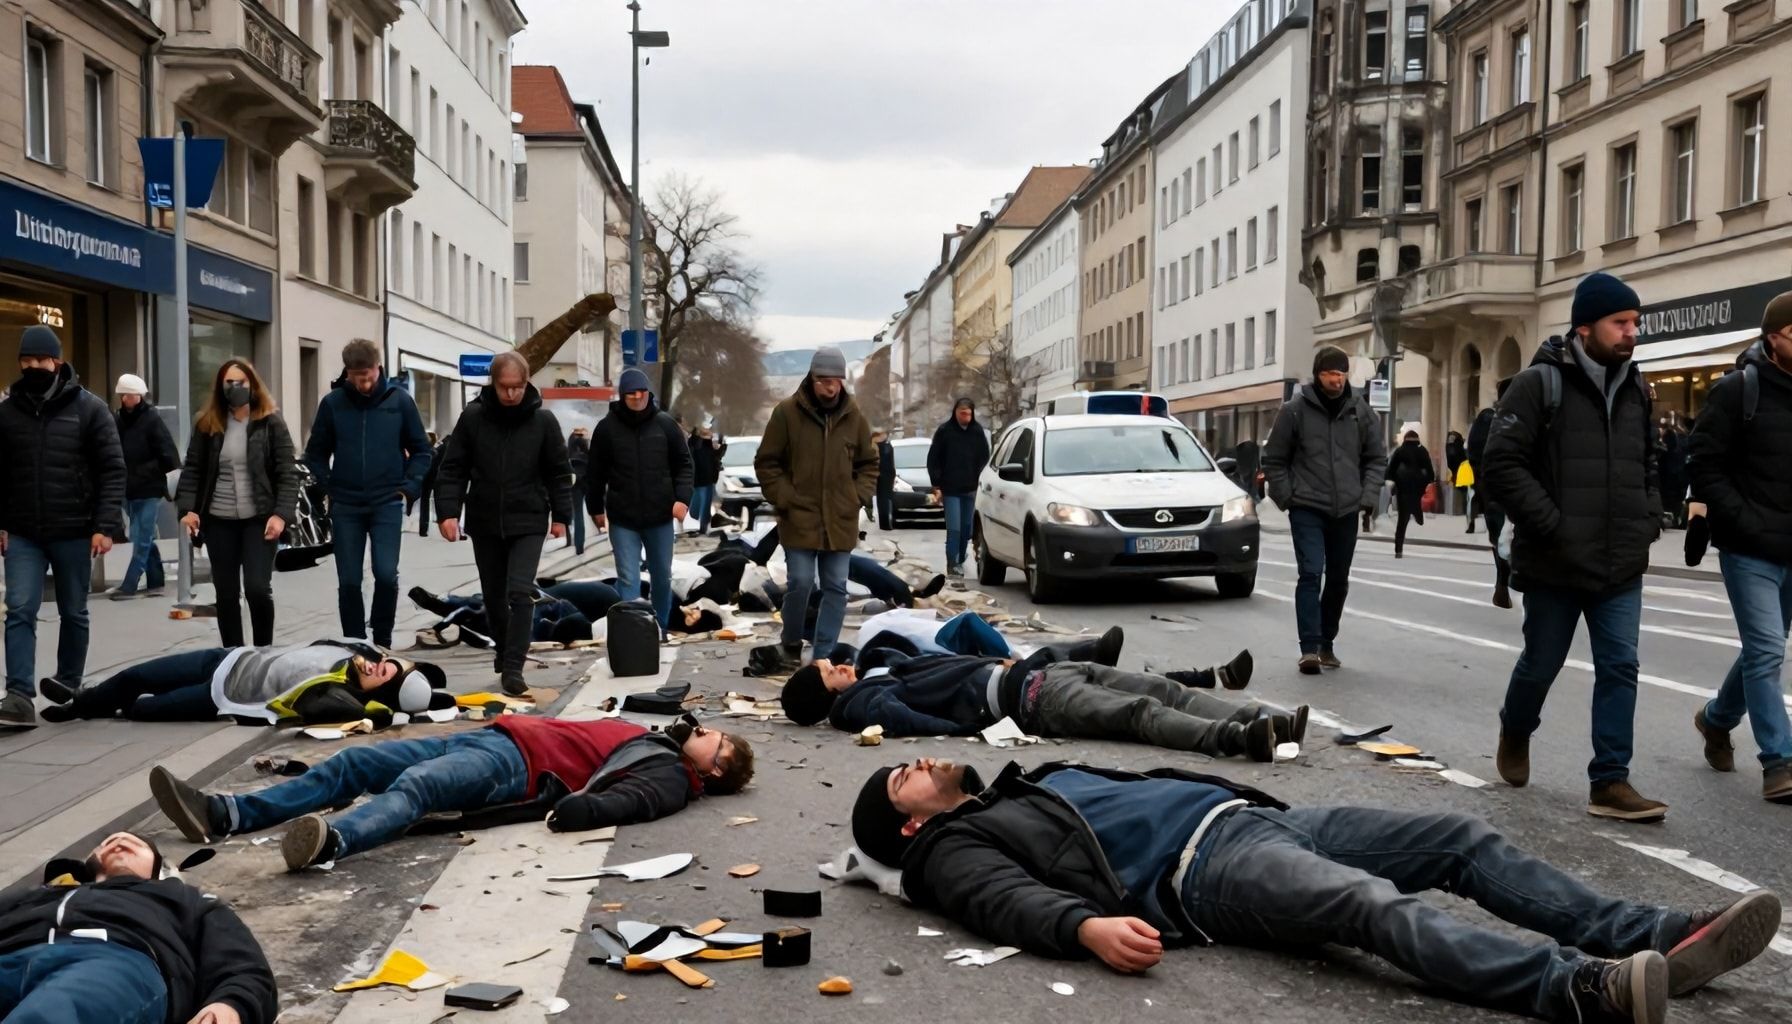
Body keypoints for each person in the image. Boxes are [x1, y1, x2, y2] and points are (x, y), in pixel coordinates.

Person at [848, 758, 1782, 1024]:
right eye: (903, 779)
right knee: (1371, 908)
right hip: (1203, 872)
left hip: (1259, 819)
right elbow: (1001, 904)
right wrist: (1087, 925)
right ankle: (1580, 987)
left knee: (1456, 835)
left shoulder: (1021, 778)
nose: (922, 761)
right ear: (912, 828)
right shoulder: (949, 851)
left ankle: (1654, 928)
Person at [1482, 271, 1664, 822]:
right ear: (1585, 327)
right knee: (1541, 664)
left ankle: (1610, 782)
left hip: (1620, 561)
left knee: (1620, 667)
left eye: (1635, 323)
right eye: (1621, 323)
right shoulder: (1539, 384)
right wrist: (1552, 524)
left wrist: (1648, 517)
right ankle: (1516, 729)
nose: (1632, 332)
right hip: (1555, 560)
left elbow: (1649, 460)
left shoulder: (1636, 387)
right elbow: (1501, 464)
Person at [148, 717, 754, 871]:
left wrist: (580, 808)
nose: (704, 733)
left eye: (716, 742)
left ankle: (332, 844)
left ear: (716, 772)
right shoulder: (666, 744)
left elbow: (631, 802)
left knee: (415, 789)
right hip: (492, 737)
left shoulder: (673, 777)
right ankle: (224, 814)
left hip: (511, 763)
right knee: (357, 760)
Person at [780, 643, 1286, 761]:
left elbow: (890, 655)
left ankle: (1258, 720)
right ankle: (1234, 738)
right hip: (1032, 699)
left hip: (1036, 673)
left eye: (830, 662)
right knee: (1139, 715)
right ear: (829, 696)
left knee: (1160, 689)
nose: (839, 665)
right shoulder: (863, 704)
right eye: (830, 673)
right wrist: (968, 731)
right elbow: (901, 717)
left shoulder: (873, 673)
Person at [1686, 290, 1792, 803]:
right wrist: (1743, 519)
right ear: (1774, 339)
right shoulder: (1737, 391)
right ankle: (1780, 761)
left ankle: (1716, 718)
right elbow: (1703, 464)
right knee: (1769, 650)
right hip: (1749, 547)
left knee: (1761, 649)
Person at [0, 831, 278, 1024]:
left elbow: (245, 965)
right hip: (12, 954)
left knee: (54, 1012)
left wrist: (231, 1005)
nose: (120, 839)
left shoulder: (187, 900)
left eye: (135, 843)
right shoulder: (39, 895)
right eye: (109, 841)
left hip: (113, 960)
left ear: (158, 869)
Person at [0, 326, 126, 729]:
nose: (34, 367)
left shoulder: (90, 409)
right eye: (27, 361)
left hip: (75, 528)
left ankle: (69, 682)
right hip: (23, 531)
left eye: (41, 360)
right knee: (19, 609)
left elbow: (112, 469)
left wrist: (105, 525)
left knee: (74, 610)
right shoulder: (6, 412)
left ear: (57, 362)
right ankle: (18, 696)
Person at [435, 351, 574, 696]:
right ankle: (502, 649)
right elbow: (453, 469)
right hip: (484, 519)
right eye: (504, 387)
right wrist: (447, 512)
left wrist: (562, 516)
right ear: (493, 384)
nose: (511, 394)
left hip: (528, 518)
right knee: (494, 597)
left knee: (519, 591)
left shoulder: (543, 422)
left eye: (517, 386)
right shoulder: (474, 419)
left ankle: (514, 667)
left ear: (527, 383)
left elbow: (558, 473)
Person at [1261, 346, 1387, 676]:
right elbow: (1274, 460)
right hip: (1307, 506)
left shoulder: (1360, 410)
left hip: (1346, 508)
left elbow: (1376, 458)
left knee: (1338, 579)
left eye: (1341, 374)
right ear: (1318, 375)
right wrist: (1288, 497)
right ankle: (1309, 649)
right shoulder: (1294, 410)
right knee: (1311, 572)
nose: (1336, 380)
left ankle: (1327, 643)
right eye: (1330, 374)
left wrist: (1367, 496)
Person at [303, 339, 433, 649]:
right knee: (348, 580)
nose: (364, 382)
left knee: (386, 574)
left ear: (379, 368)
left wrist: (408, 489)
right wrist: (327, 488)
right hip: (345, 504)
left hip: (387, 501)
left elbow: (421, 451)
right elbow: (315, 454)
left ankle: (383, 640)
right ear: (347, 373)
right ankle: (354, 642)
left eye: (369, 375)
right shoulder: (333, 404)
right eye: (357, 376)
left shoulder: (399, 402)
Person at [754, 346, 878, 670]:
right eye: (825, 380)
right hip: (799, 517)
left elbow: (869, 463)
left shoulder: (854, 417)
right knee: (801, 582)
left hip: (840, 518)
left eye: (836, 380)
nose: (831, 387)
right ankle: (791, 642)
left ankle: (822, 654)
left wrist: (857, 495)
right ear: (812, 378)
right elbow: (767, 463)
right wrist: (785, 497)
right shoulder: (786, 413)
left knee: (837, 587)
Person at [37, 638, 451, 725]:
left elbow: (342, 711)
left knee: (144, 708)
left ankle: (102, 705)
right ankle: (81, 702)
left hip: (222, 696)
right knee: (138, 675)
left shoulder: (335, 694)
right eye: (387, 663)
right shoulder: (351, 651)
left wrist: (379, 712)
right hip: (228, 658)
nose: (378, 666)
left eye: (385, 676)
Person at [175, 360, 300, 650]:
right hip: (219, 520)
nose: (235, 388)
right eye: (228, 383)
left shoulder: (271, 422)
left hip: (259, 518)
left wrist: (281, 515)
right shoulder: (207, 423)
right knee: (226, 594)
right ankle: (233, 657)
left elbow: (287, 471)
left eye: (240, 382)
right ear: (220, 387)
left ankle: (263, 653)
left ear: (252, 384)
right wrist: (188, 510)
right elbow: (193, 469)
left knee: (257, 589)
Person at [586, 367, 692, 627]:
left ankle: (660, 626)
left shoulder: (665, 425)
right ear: (622, 396)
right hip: (623, 516)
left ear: (649, 394)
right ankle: (633, 631)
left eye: (642, 393)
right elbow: (595, 472)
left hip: (660, 515)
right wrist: (595, 508)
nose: (637, 398)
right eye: (631, 394)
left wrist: (682, 499)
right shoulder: (607, 429)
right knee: (628, 578)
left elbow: (683, 464)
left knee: (661, 577)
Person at [110, 373, 180, 600]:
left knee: (140, 536)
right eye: (122, 396)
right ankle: (156, 582)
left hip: (149, 488)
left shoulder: (152, 420)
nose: (124, 400)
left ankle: (129, 584)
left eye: (127, 395)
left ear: (137, 396)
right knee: (144, 536)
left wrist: (154, 475)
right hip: (129, 488)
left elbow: (168, 454)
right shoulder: (119, 420)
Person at [927, 398, 990, 577]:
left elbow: (984, 457)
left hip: (970, 488)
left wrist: (980, 477)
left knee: (967, 527)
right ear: (955, 412)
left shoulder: (977, 432)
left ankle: (961, 556)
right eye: (962, 413)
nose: (966, 417)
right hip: (951, 488)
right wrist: (936, 484)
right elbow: (934, 458)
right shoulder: (945, 432)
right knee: (954, 528)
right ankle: (953, 562)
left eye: (969, 413)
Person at [1467, 380, 1515, 608]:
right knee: (1503, 537)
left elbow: (1474, 454)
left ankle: (1503, 582)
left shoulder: (1491, 418)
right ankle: (1505, 582)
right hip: (1500, 490)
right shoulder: (1494, 418)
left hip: (1496, 490)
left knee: (1500, 538)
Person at [1386, 430, 1436, 559]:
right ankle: (1417, 514)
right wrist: (1427, 481)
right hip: (1417, 488)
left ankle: (1398, 549)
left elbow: (1390, 470)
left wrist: (1394, 482)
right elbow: (1430, 472)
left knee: (1402, 520)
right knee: (1415, 506)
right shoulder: (1422, 451)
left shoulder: (1399, 451)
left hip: (1402, 489)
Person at [688, 425, 727, 535]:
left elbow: (717, 457)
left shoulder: (708, 444)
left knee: (704, 506)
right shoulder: (694, 442)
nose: (710, 432)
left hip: (707, 479)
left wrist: (722, 444)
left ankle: (702, 527)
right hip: (697, 480)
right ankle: (695, 527)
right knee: (696, 506)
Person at [567, 427, 590, 555]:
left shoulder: (570, 456)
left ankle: (577, 545)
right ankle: (580, 545)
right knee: (587, 515)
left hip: (575, 485)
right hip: (586, 482)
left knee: (577, 515)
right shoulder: (588, 454)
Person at [874, 430, 896, 531]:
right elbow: (890, 463)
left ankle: (884, 523)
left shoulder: (884, 446)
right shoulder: (886, 446)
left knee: (883, 500)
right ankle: (884, 523)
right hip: (885, 475)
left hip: (884, 475)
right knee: (884, 500)